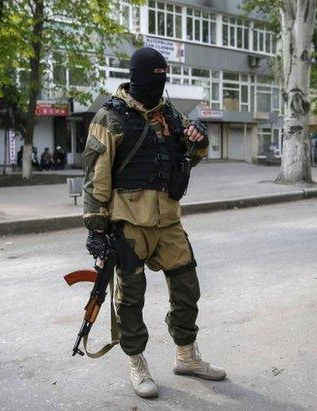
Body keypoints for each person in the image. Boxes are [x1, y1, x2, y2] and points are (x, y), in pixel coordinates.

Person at [82, 47, 225, 399]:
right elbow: (95, 179)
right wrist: (96, 232)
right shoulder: (109, 118)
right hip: (128, 224)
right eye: (152, 77)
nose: (158, 85)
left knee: (187, 287)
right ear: (136, 77)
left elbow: (189, 155)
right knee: (131, 298)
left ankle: (186, 355)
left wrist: (199, 139)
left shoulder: (170, 113)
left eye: (163, 77)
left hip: (169, 221)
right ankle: (136, 361)